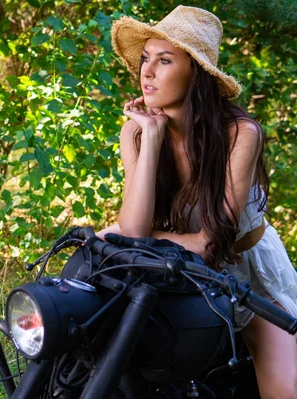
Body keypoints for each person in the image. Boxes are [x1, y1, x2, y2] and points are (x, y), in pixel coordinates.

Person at [98, 5, 297, 398]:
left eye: (165, 60)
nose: (147, 71)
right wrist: (152, 139)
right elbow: (136, 229)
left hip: (246, 272)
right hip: (174, 264)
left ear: (196, 74)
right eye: (145, 59)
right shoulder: (135, 133)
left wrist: (137, 239)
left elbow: (211, 243)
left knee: (284, 391)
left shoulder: (240, 134)